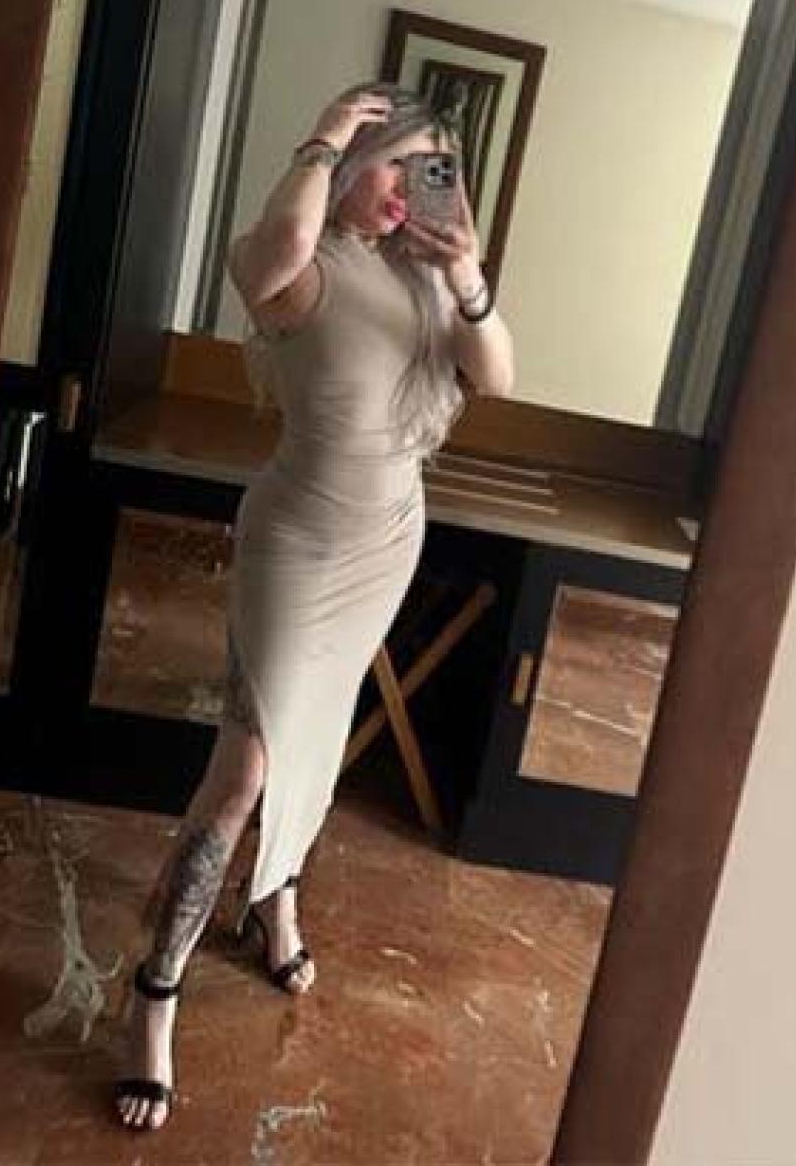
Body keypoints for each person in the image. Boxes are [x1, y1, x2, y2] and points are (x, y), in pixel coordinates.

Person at [115, 82, 515, 1130]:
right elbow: (281, 243)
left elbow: (498, 378)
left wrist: (467, 273)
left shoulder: (427, 282)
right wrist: (328, 132)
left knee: (319, 740)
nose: (408, 189)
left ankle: (274, 901)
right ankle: (154, 992)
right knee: (245, 768)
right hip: (297, 544)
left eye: (431, 171)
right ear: (345, 165)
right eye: (394, 164)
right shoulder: (297, 263)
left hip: (388, 542)